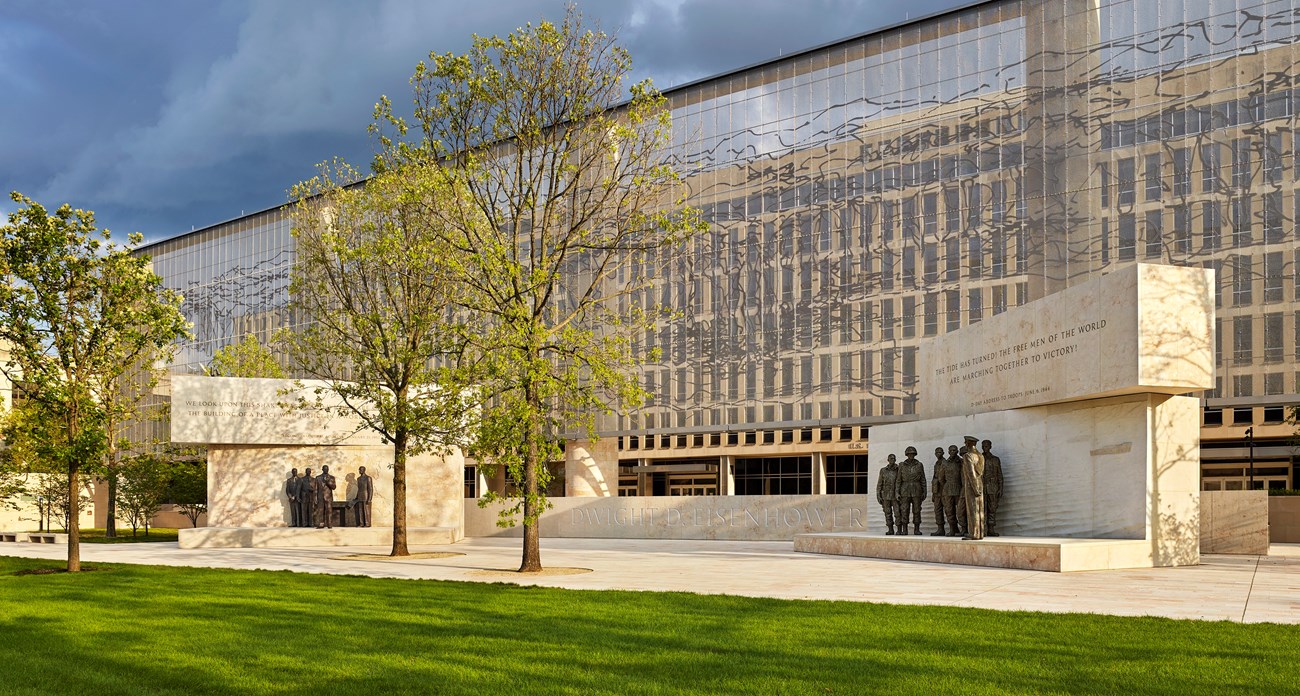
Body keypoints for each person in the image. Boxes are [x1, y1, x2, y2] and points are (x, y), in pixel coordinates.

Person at [896, 446, 926, 536]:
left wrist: (924, 491)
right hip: (905, 489)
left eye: (912, 454)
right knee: (904, 510)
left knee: (917, 510)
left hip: (917, 489)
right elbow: (898, 480)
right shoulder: (902, 465)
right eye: (909, 454)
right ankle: (905, 529)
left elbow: (923, 479)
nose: (911, 456)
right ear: (907, 455)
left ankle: (917, 529)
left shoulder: (919, 465)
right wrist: (897, 492)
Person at [960, 435, 986, 540]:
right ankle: (980, 533)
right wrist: (978, 487)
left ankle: (973, 533)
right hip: (980, 483)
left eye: (966, 442)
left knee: (972, 509)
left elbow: (971, 474)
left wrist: (975, 488)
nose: (965, 444)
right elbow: (980, 472)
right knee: (980, 509)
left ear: (968, 443)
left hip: (971, 485)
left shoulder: (968, 456)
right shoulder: (980, 455)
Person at [935, 444, 964, 537]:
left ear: (957, 451)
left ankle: (964, 529)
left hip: (958, 488)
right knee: (949, 510)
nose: (952, 452)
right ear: (948, 452)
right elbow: (941, 478)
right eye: (951, 450)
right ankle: (952, 529)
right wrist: (947, 485)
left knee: (961, 510)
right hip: (947, 489)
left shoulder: (961, 462)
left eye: (954, 450)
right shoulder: (945, 463)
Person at [982, 440, 1004, 537]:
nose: (985, 448)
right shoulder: (979, 458)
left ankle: (991, 528)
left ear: (990, 447)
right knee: (982, 509)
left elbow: (999, 475)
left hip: (993, 487)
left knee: (992, 508)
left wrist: (1001, 488)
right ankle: (983, 529)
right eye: (983, 446)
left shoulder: (995, 459)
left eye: (986, 446)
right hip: (982, 487)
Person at [876, 454, 901, 535]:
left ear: (895, 460)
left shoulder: (899, 469)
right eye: (891, 458)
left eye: (893, 458)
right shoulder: (883, 470)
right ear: (888, 460)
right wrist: (878, 495)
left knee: (897, 513)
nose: (892, 460)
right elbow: (880, 484)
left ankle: (899, 529)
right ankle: (890, 529)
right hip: (886, 495)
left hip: (895, 495)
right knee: (887, 513)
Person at [929, 448, 944, 536]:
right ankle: (940, 528)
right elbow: (934, 477)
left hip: (945, 489)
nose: (938, 454)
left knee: (949, 510)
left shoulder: (945, 463)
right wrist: (933, 492)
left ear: (943, 453)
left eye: (940, 452)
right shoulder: (936, 464)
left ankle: (953, 528)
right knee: (937, 510)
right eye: (937, 452)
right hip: (937, 490)